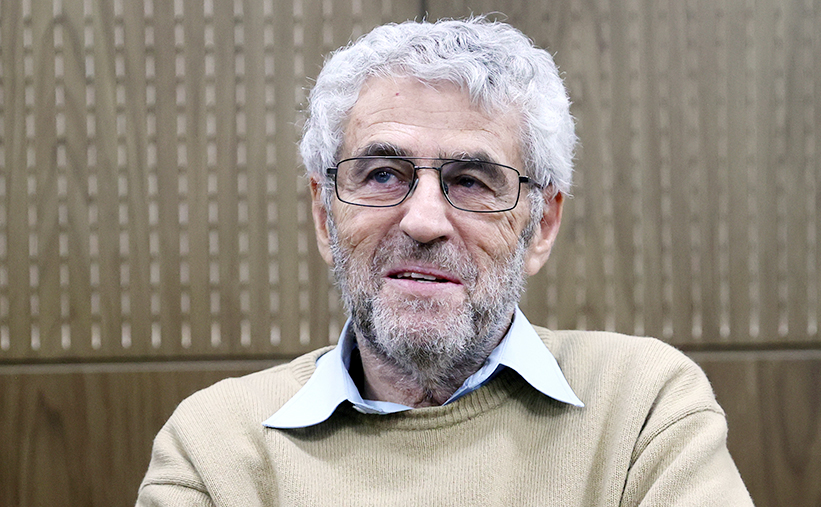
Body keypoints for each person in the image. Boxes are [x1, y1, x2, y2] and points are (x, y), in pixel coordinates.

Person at [137, 17, 753, 506]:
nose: (424, 221)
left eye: (471, 180)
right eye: (382, 175)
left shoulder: (644, 410)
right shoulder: (214, 448)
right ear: (325, 215)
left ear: (542, 225)